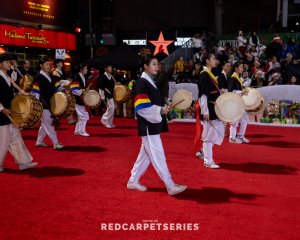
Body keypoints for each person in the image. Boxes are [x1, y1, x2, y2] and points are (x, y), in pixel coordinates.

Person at [127, 56, 187, 196]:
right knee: (157, 155)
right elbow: (141, 107)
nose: (157, 66)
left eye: (157, 64)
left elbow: (150, 103)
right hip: (148, 125)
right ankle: (170, 186)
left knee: (146, 156)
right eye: (153, 64)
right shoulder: (142, 82)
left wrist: (163, 107)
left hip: (150, 124)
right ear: (146, 66)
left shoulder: (148, 81)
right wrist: (160, 110)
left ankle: (132, 181)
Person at [0, 54, 37, 171]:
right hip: (2, 113)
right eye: (6, 62)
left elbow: (15, 86)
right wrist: (1, 109)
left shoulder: (7, 76)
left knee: (16, 138)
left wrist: (23, 92)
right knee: (3, 141)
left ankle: (23, 163)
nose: (9, 64)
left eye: (9, 62)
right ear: (0, 64)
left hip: (10, 111)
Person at [195, 53, 225, 169]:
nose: (215, 61)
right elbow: (203, 95)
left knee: (211, 135)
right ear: (207, 61)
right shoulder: (204, 75)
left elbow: (210, 92)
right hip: (209, 109)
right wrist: (205, 112)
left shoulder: (209, 74)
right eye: (213, 59)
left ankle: (204, 154)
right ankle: (208, 160)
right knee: (210, 136)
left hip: (212, 108)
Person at [33, 57, 64, 150]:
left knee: (45, 124)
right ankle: (56, 143)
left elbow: (57, 86)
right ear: (41, 65)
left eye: (49, 64)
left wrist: (64, 90)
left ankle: (39, 141)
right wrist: (38, 105)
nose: (48, 66)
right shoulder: (38, 77)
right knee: (49, 124)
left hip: (51, 103)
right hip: (44, 104)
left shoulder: (50, 75)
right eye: (46, 64)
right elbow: (36, 92)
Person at [228, 62, 250, 144]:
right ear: (236, 68)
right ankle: (232, 138)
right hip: (234, 102)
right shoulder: (233, 78)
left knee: (244, 119)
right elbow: (230, 91)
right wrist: (241, 92)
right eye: (240, 67)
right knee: (234, 121)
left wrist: (243, 92)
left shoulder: (237, 78)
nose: (242, 68)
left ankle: (240, 136)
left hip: (239, 102)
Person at [70, 64, 90, 136]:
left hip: (81, 98)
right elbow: (74, 89)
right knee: (83, 115)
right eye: (86, 69)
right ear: (81, 70)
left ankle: (77, 130)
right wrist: (82, 94)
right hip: (78, 98)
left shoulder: (84, 76)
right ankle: (82, 131)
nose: (87, 70)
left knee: (81, 115)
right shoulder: (77, 77)